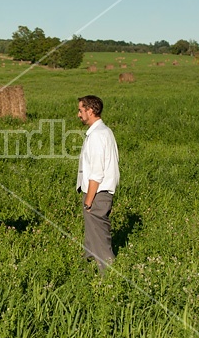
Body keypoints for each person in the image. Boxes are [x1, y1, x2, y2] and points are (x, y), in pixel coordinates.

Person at [76, 95, 119, 275]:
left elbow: (96, 172)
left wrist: (88, 200)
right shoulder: (103, 132)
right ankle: (87, 269)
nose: (78, 114)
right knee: (92, 236)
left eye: (80, 110)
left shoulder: (97, 136)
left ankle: (109, 277)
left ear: (90, 111)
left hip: (98, 193)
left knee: (100, 239)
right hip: (99, 193)